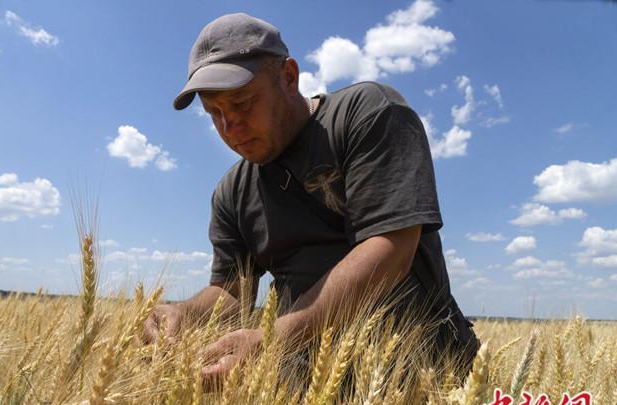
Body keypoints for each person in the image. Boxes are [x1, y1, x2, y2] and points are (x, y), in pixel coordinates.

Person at [144, 12, 479, 385]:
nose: (229, 126)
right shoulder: (232, 193)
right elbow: (232, 293)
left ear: (288, 77)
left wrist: (273, 339)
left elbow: (391, 249)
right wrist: (183, 313)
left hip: (420, 378)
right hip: (305, 397)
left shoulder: (366, 114)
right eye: (214, 113)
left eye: (241, 103)